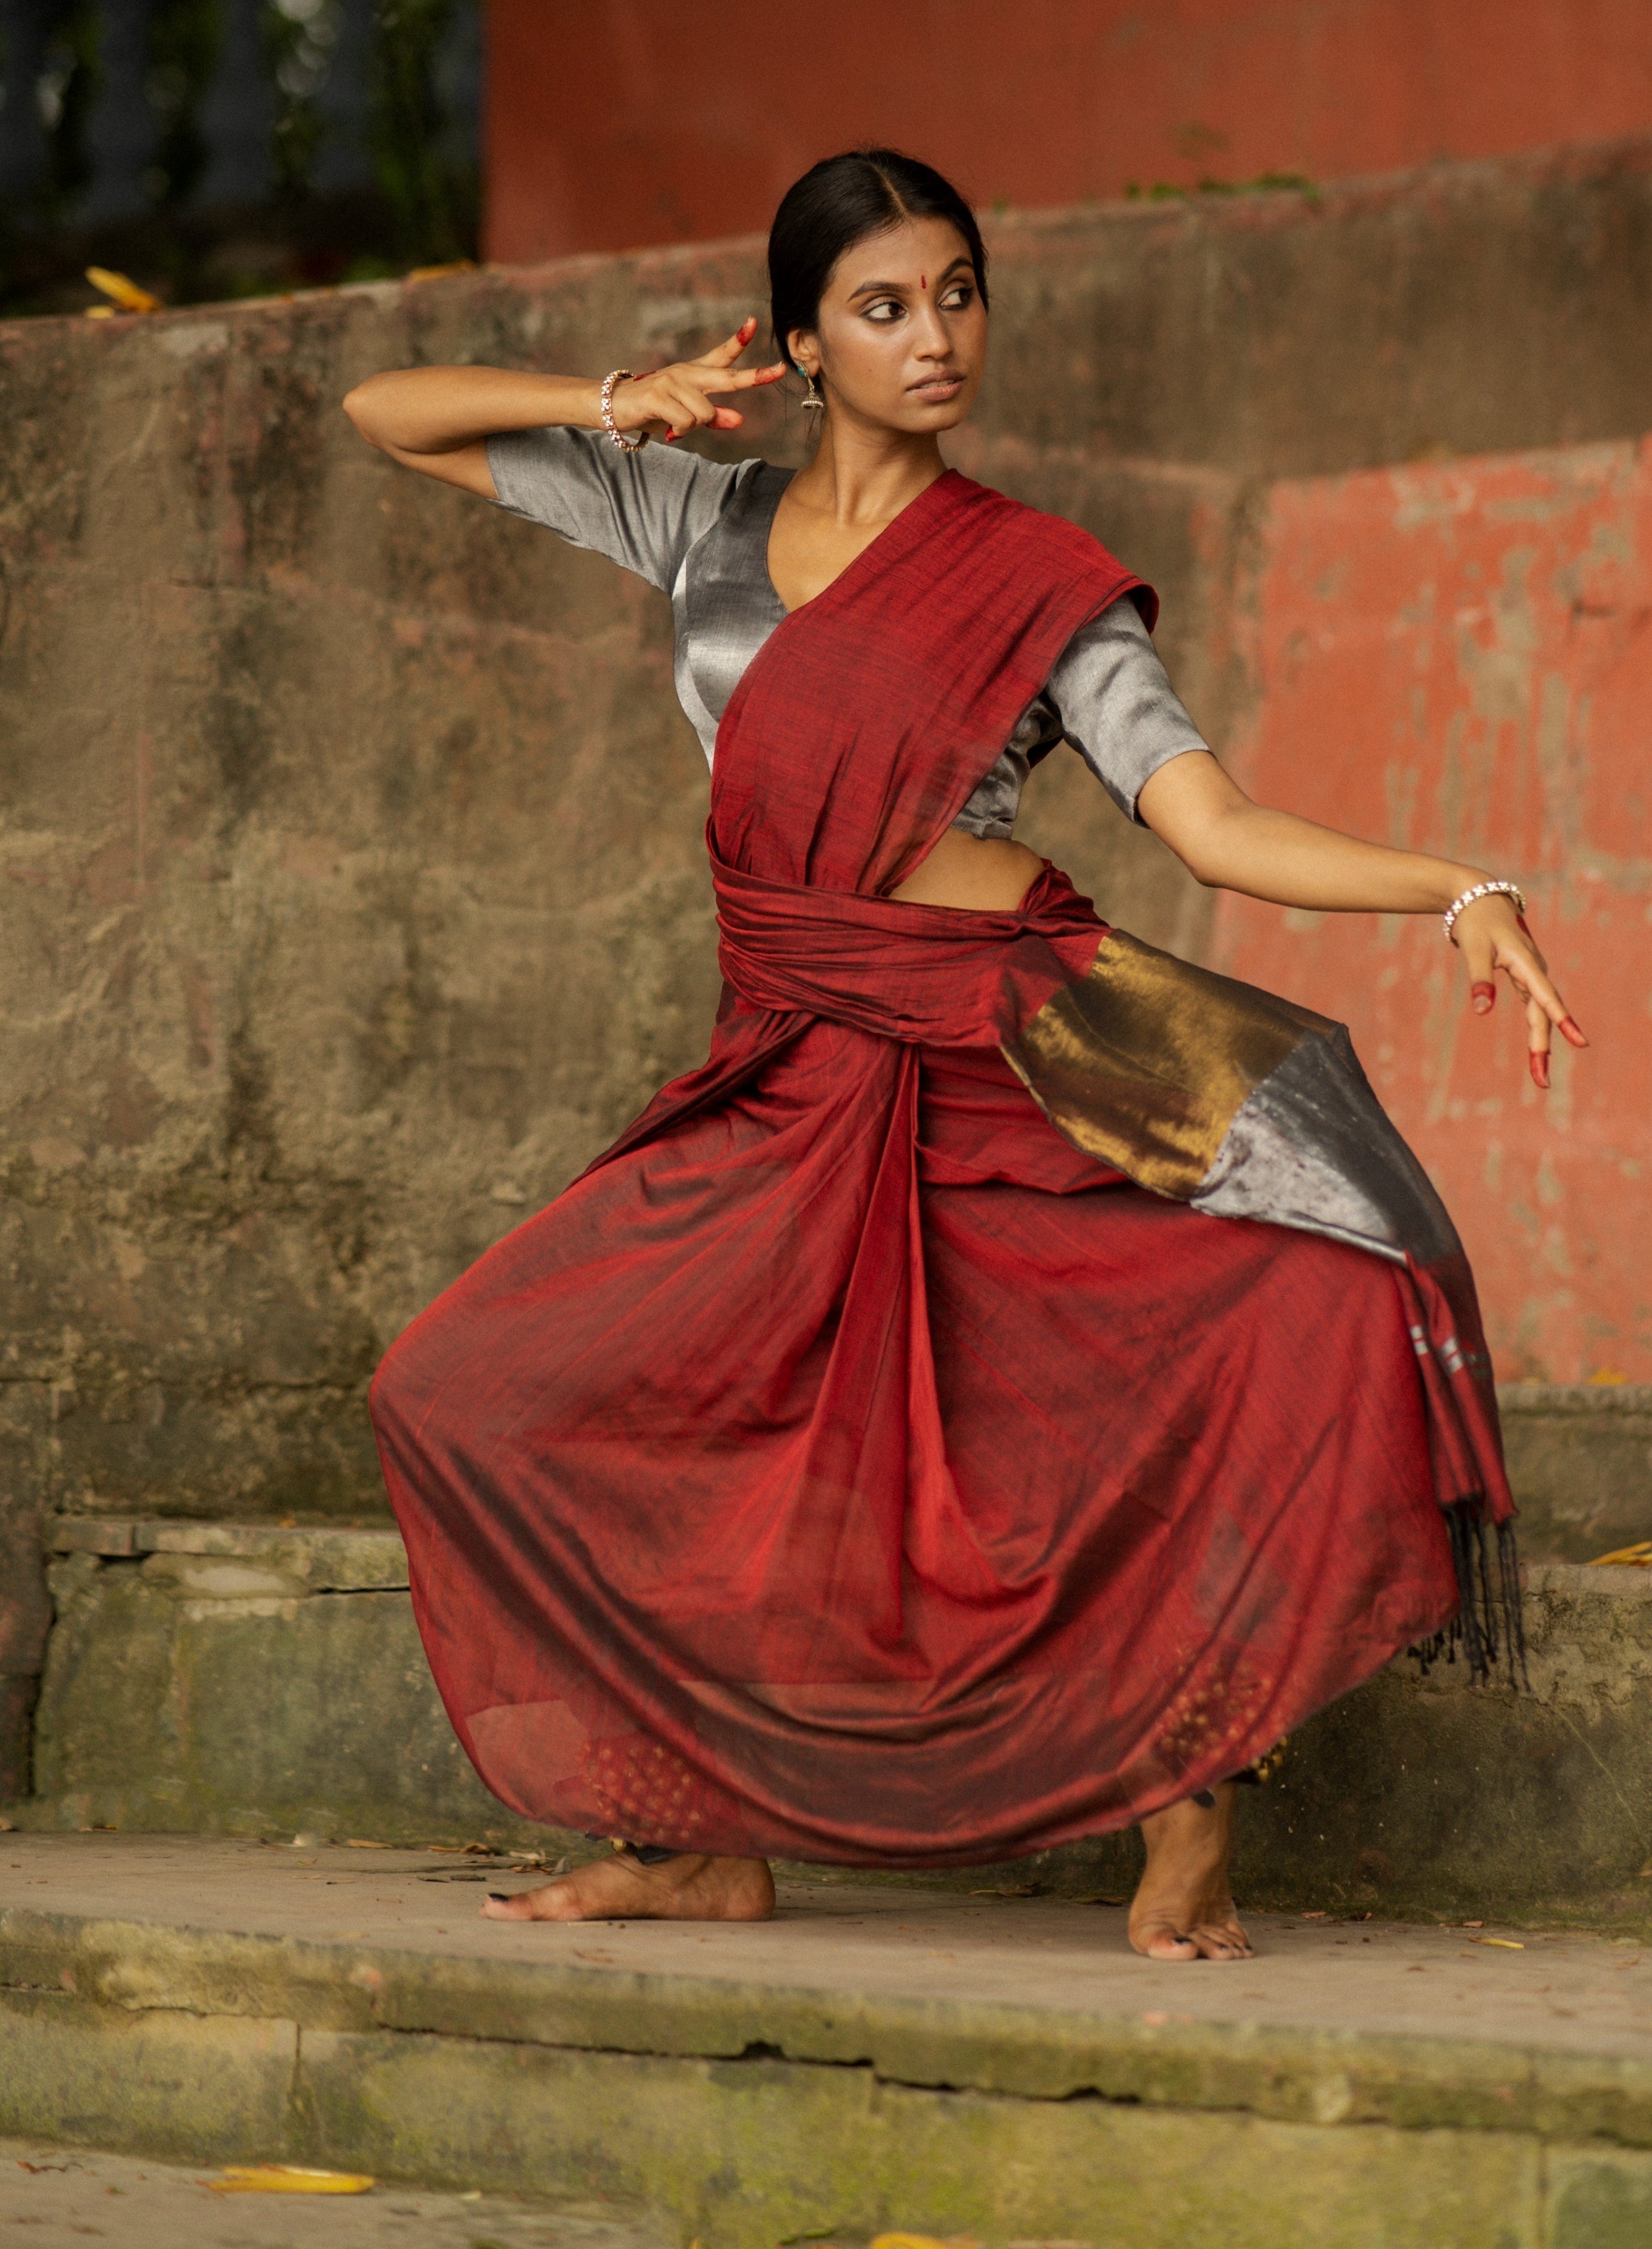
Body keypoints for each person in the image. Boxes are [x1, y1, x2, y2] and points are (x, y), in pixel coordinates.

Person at [346, 147, 1585, 1964]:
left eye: (957, 293)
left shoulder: (1037, 579)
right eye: (882, 306)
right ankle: (707, 1832)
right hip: (791, 1063)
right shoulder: (693, 518)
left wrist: (1457, 884)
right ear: (799, 341)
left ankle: (1191, 1813)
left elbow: (1213, 822)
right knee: (461, 1386)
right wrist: (619, 398)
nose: (935, 336)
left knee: (1264, 1319)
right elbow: (390, 413)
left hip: (1019, 1040)